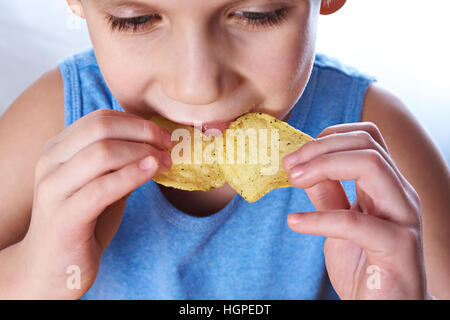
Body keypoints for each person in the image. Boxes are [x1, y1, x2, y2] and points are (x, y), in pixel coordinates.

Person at [0, 0, 448, 299]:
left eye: (257, 13)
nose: (198, 85)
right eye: (135, 19)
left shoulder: (374, 146)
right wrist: (34, 277)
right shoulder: (56, 117)